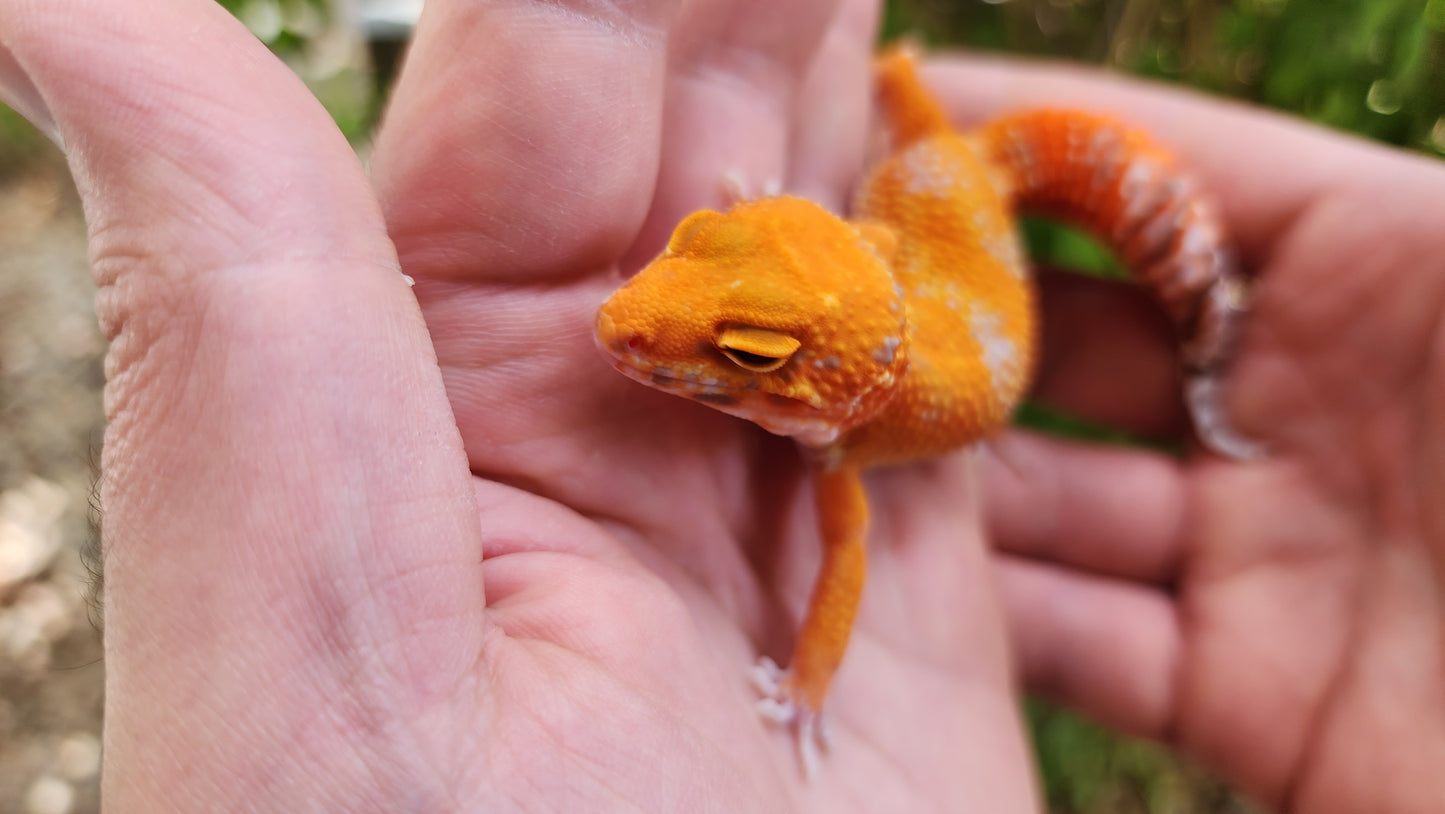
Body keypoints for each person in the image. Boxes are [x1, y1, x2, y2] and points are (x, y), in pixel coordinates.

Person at [2, 0, 1440, 811]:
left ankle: (1189, 319)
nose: (630, 327)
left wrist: (802, 682)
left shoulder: (853, 440)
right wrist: (774, 258)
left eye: (739, 351)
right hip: (913, 231)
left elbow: (843, 560)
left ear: (833, 396)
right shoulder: (865, 238)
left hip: (946, 257)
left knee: (949, 178)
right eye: (707, 252)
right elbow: (812, 262)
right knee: (911, 171)